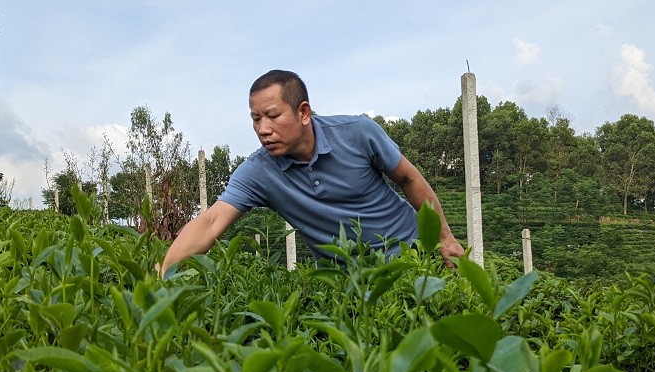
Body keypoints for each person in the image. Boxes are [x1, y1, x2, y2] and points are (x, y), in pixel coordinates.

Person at [157, 69, 464, 275]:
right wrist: (160, 275)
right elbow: (210, 222)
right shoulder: (259, 171)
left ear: (303, 112)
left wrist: (445, 237)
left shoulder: (358, 132)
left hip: (416, 257)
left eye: (273, 116)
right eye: (255, 119)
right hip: (347, 281)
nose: (263, 129)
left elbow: (410, 178)